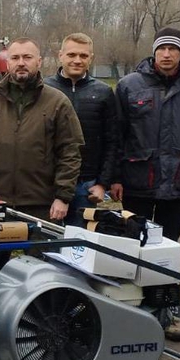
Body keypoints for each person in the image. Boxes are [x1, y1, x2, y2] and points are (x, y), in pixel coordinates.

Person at [110, 27, 180, 241]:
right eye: (161, 48)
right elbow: (117, 135)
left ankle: (163, 275)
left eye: (172, 48)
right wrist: (115, 178)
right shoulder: (129, 85)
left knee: (168, 244)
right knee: (133, 241)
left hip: (179, 181)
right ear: (154, 51)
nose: (166, 54)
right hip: (137, 181)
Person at [0, 38, 84, 223]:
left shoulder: (58, 102)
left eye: (27, 57)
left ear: (39, 61)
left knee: (39, 253)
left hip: (42, 205)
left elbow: (70, 151)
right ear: (8, 62)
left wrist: (62, 196)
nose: (21, 63)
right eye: (15, 58)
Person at [44, 33, 121, 226]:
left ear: (91, 58)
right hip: (47, 181)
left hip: (86, 184)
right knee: (45, 243)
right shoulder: (44, 89)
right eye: (71, 55)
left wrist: (103, 183)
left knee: (79, 246)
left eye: (83, 56)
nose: (77, 60)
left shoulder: (103, 92)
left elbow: (112, 141)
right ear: (60, 55)